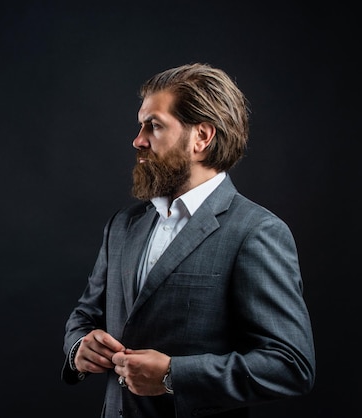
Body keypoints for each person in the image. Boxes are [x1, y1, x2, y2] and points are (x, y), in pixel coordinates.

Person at [61, 62, 315, 417]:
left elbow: (290, 365)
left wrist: (171, 375)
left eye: (154, 126)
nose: (138, 139)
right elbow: (85, 315)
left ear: (202, 137)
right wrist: (78, 348)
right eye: (141, 125)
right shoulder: (123, 224)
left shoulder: (256, 232)